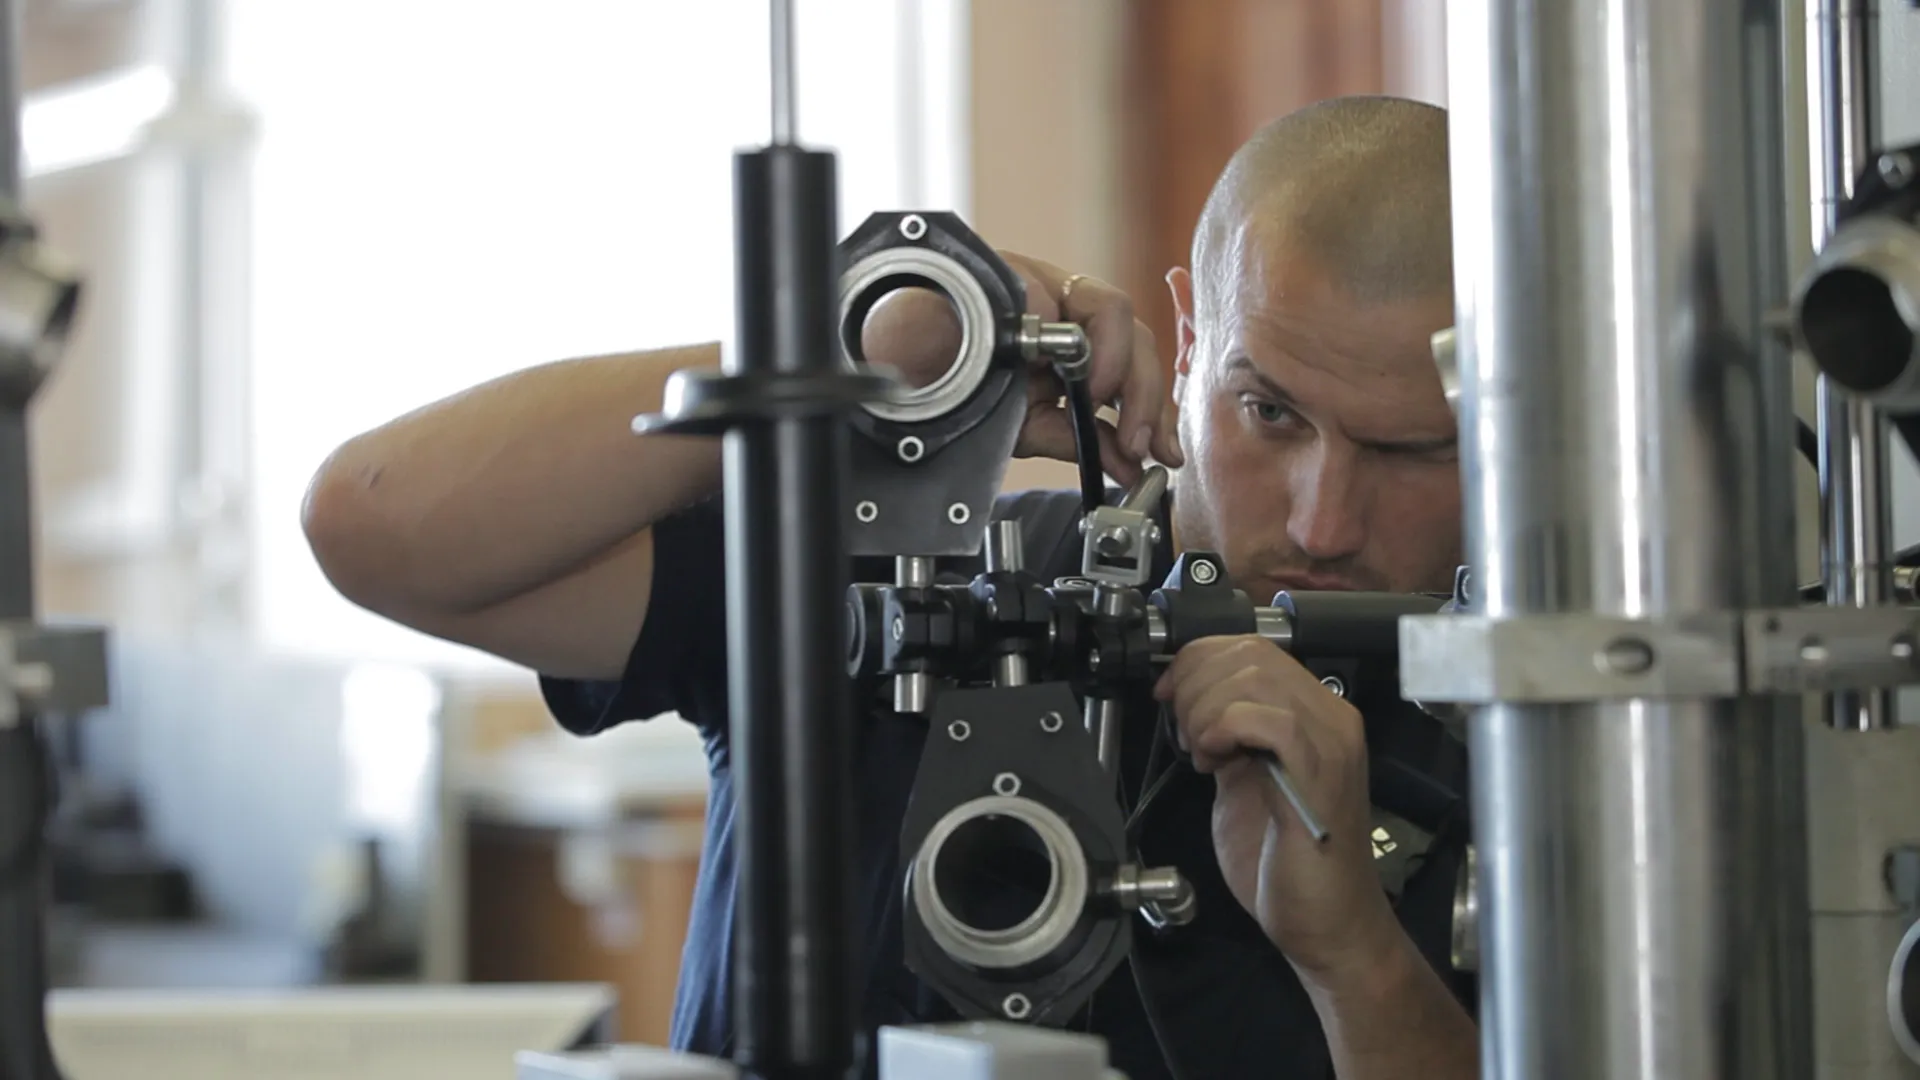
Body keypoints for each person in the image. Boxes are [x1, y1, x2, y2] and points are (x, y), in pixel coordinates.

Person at [301, 95, 1477, 1079]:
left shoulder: (1531, 740)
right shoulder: (896, 585)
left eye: (1412, 450)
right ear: (1189, 340)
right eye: (1267, 412)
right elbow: (374, 522)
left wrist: (1356, 958)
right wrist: (829, 369)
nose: (1323, 520)